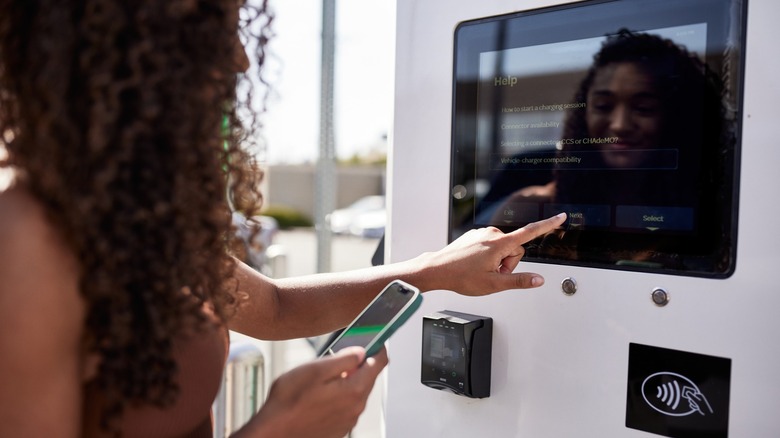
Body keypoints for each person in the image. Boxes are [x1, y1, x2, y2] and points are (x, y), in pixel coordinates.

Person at [0, 1, 566, 437]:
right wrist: (276, 430)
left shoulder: (125, 208)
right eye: (213, 24)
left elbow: (273, 306)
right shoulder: (26, 236)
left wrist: (434, 270)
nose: (240, 57)